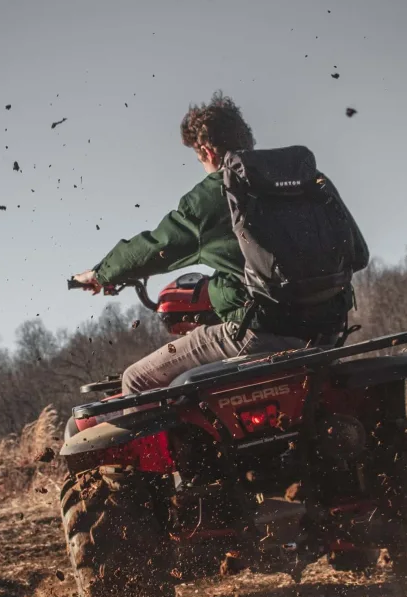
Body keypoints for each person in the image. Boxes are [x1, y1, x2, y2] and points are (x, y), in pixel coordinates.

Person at [70, 92, 369, 394]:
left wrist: (100, 273)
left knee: (136, 380)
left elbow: (155, 248)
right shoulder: (306, 179)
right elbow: (359, 253)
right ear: (247, 140)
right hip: (328, 327)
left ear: (206, 151)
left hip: (261, 332)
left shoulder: (216, 192)